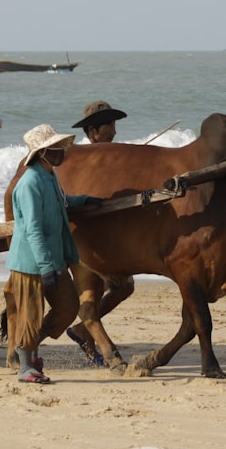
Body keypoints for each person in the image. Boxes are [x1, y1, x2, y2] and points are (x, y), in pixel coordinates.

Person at [5, 124, 101, 384]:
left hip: (53, 259)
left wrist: (85, 200)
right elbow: (33, 229)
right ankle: (26, 367)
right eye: (55, 149)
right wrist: (46, 266)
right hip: (30, 263)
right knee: (30, 314)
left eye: (60, 147)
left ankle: (32, 347)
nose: (61, 152)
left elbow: (62, 202)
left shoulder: (49, 177)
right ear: (42, 153)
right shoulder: (29, 183)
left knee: (68, 307)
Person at [67, 100, 135, 366]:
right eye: (109, 126)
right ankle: (87, 337)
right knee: (119, 286)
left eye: (115, 126)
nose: (115, 132)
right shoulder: (81, 162)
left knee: (119, 288)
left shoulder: (111, 160)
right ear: (93, 132)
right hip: (86, 239)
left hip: (107, 238)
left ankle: (85, 335)